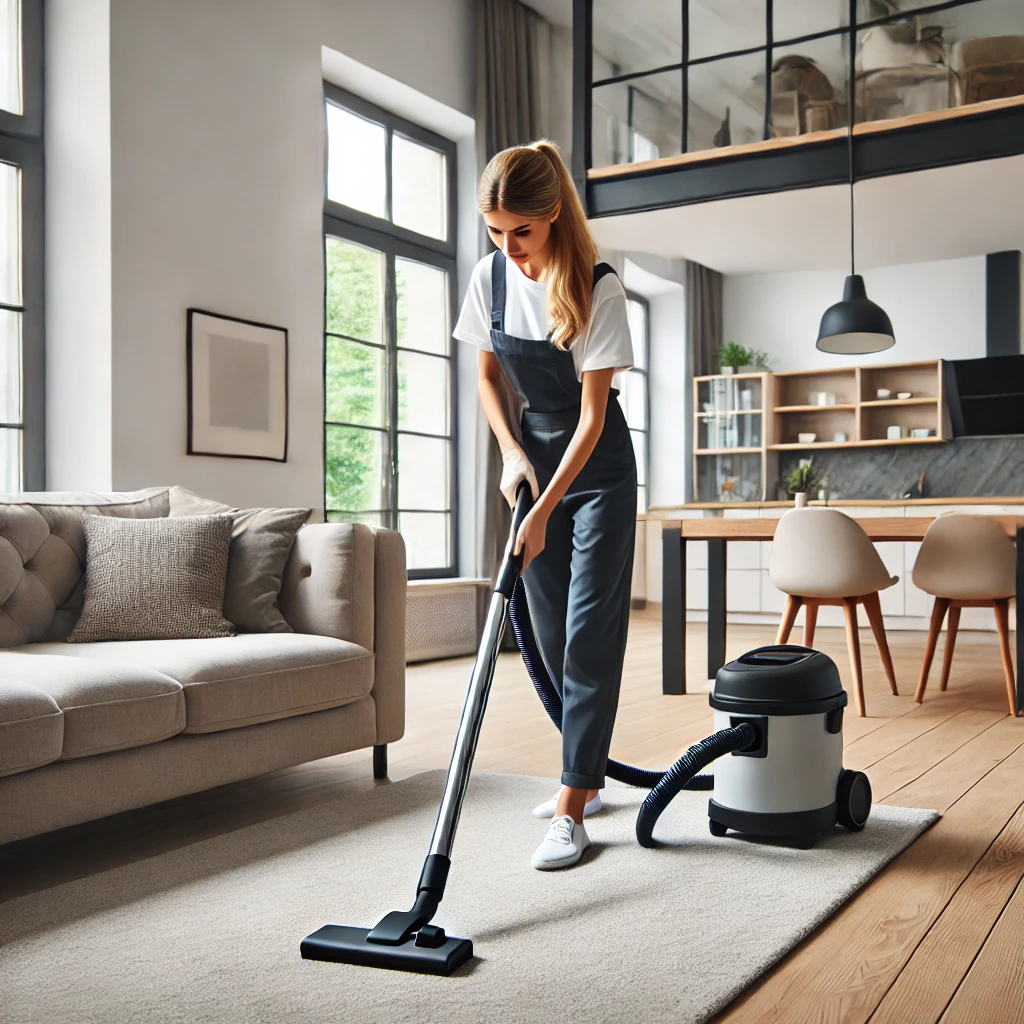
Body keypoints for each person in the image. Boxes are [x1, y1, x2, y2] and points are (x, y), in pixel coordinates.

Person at [453, 140, 637, 870]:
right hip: (533, 460)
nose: (509, 248)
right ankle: (585, 776)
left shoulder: (598, 287)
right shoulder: (489, 278)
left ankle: (571, 807)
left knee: (589, 631)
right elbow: (489, 379)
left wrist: (543, 507)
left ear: (552, 213)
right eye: (496, 232)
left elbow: (592, 421)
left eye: (521, 232)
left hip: (595, 469)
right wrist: (511, 455)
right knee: (548, 628)